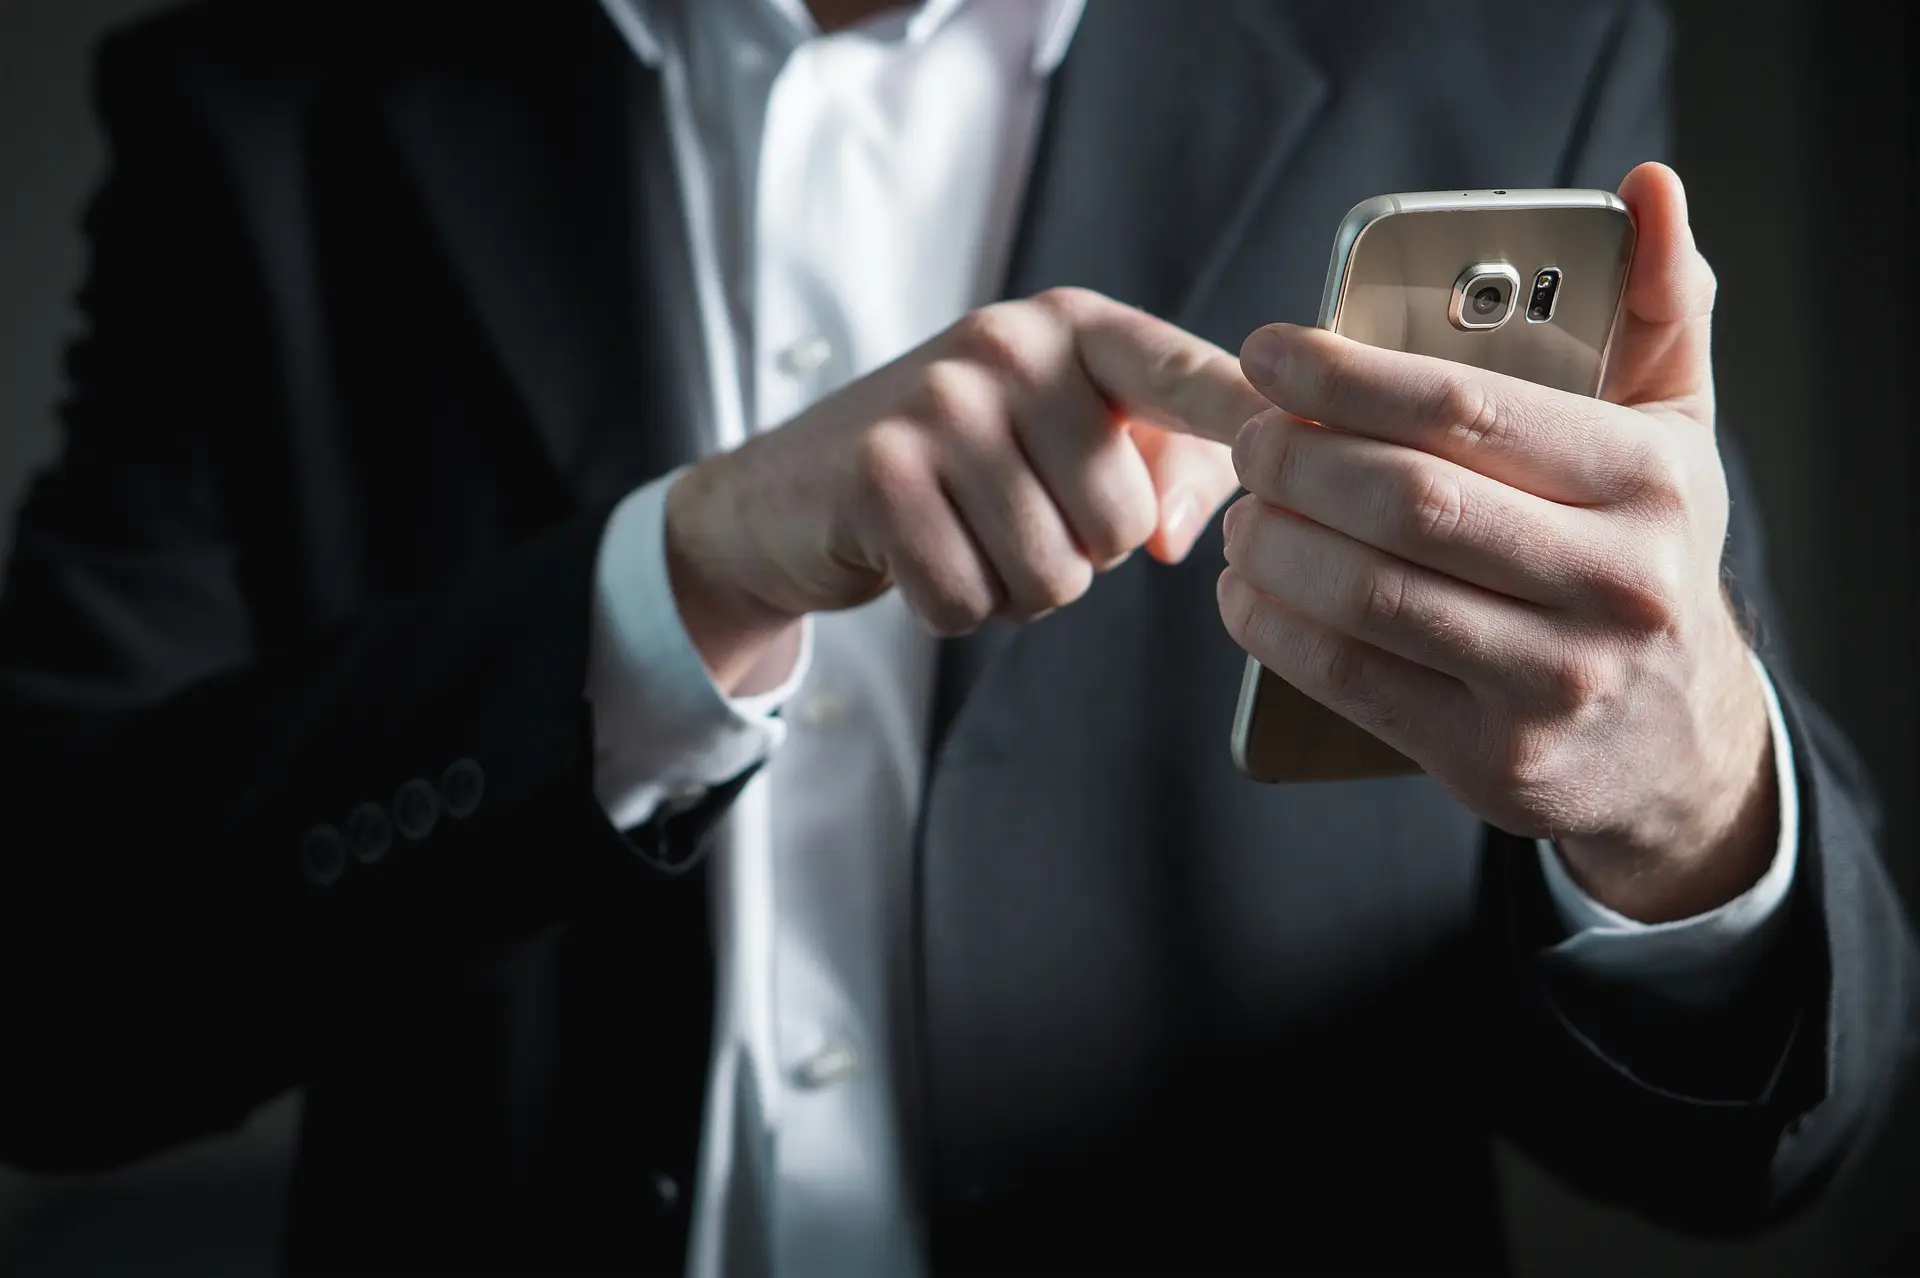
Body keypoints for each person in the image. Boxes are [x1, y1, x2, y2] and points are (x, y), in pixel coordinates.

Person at [0, 0, 1912, 1274]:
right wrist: (676, 582)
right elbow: (58, 1009)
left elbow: (1758, 1147)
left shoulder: (1500, 43)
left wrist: (1686, 813)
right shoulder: (261, 93)